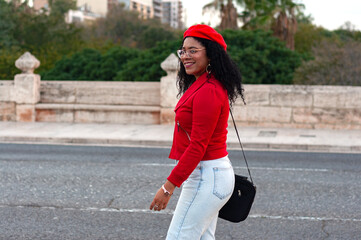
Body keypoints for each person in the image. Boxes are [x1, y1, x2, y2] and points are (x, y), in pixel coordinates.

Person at [149, 24, 245, 240]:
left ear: (211, 54)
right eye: (183, 51)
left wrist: (168, 187)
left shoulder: (209, 90)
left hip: (207, 176)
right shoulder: (202, 84)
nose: (185, 56)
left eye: (193, 50)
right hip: (207, 176)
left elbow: (198, 146)